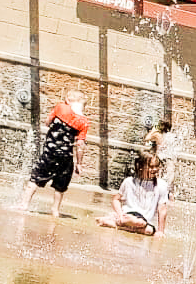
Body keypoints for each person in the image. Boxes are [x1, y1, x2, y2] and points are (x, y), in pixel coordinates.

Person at [17, 88, 90, 217]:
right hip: (66, 158)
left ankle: (24, 204)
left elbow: (47, 122)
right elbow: (80, 145)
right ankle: (55, 210)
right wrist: (79, 163)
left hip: (49, 154)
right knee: (60, 187)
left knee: (35, 179)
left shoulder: (60, 107)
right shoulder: (84, 122)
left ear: (67, 100)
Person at [95, 153, 170, 236]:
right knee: (139, 222)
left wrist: (160, 231)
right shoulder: (129, 182)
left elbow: (162, 209)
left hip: (145, 220)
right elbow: (116, 199)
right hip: (129, 214)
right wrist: (120, 215)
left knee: (149, 230)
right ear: (141, 167)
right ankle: (122, 221)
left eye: (157, 166)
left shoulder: (162, 185)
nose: (155, 169)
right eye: (151, 167)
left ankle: (113, 223)